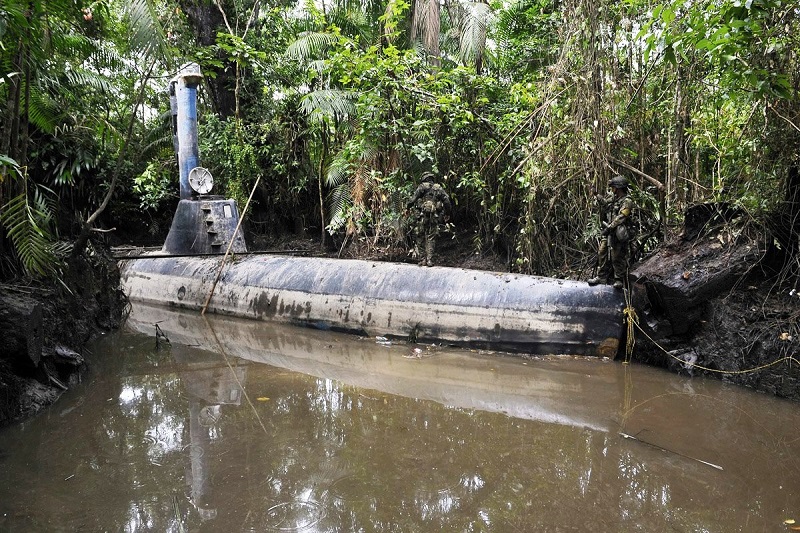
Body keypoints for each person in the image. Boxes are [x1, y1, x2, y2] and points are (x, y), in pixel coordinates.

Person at [588, 175, 635, 290]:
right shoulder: (614, 198)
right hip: (609, 232)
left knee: (617, 256)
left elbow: (622, 216)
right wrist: (596, 194)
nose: (612, 189)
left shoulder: (627, 201)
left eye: (613, 187)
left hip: (619, 233)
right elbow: (604, 203)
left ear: (618, 188)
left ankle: (619, 279)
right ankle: (601, 277)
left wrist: (610, 226)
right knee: (602, 252)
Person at [407, 172, 452, 266]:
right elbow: (446, 201)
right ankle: (430, 260)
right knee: (431, 237)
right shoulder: (438, 188)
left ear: (424, 179)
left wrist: (407, 207)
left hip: (422, 217)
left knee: (420, 237)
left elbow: (412, 200)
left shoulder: (422, 187)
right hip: (434, 217)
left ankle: (423, 259)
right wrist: (447, 213)